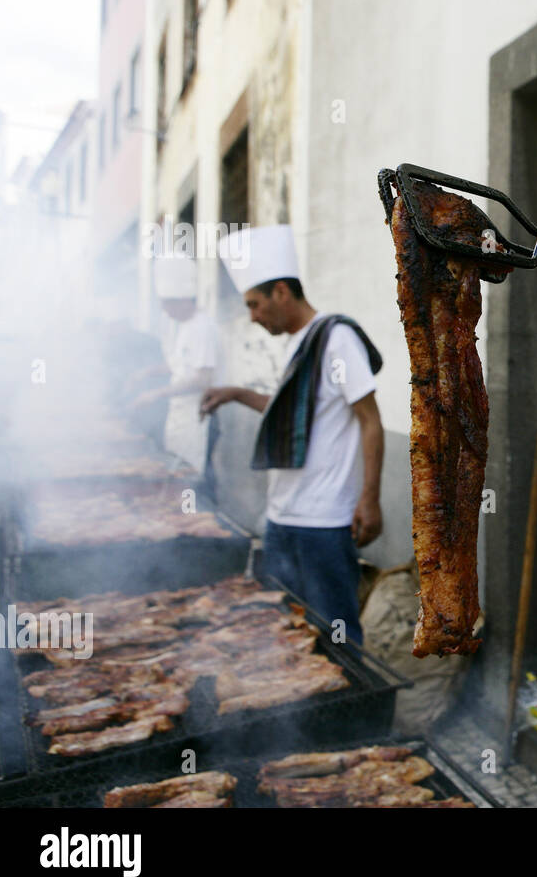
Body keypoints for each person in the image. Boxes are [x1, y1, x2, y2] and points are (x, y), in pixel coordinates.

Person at [200, 224, 385, 646]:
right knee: (287, 633)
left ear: (282, 292)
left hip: (322, 520)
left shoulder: (336, 339)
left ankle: (352, 712)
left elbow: (370, 418)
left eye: (254, 304)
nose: (252, 316)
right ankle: (300, 714)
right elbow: (293, 413)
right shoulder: (297, 342)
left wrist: (370, 498)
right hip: (282, 516)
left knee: (334, 632)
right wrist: (236, 393)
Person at [128, 247, 222, 496]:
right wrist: (147, 372)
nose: (164, 310)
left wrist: (157, 394)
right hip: (181, 415)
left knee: (195, 479)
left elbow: (203, 378)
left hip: (199, 417)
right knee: (179, 475)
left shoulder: (202, 327)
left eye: (167, 304)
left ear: (183, 300)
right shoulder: (183, 326)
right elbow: (179, 366)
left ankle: (205, 522)